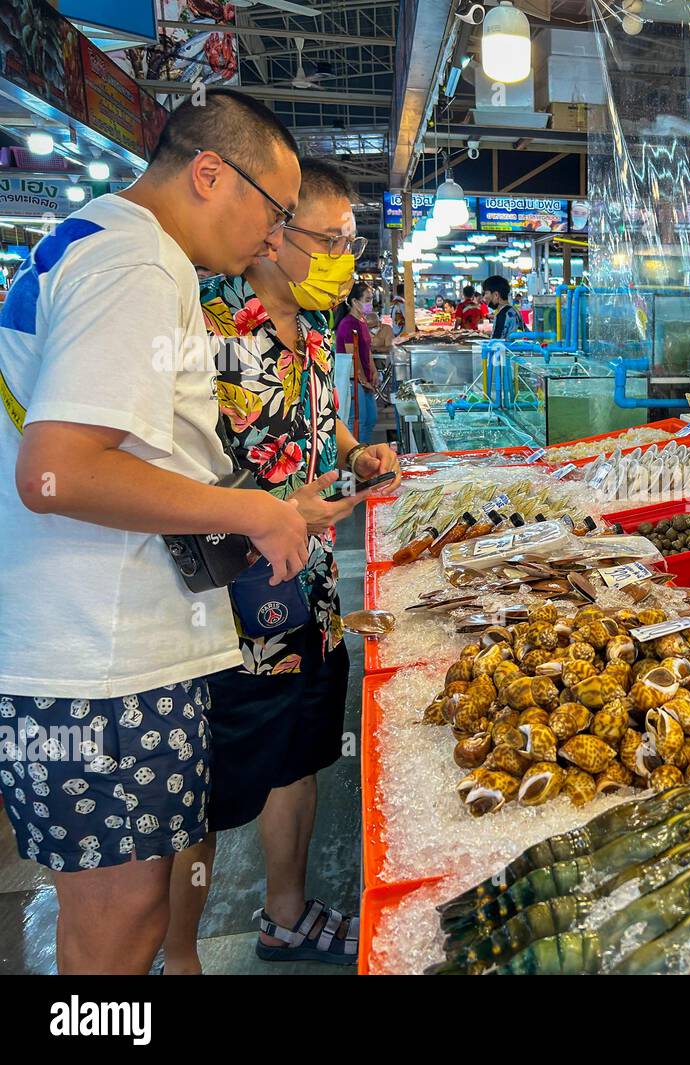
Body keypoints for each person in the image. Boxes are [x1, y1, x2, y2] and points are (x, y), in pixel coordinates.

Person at [0, 88, 310, 974]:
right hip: (94, 661)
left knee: (118, 909)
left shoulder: (102, 242)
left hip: (85, 651)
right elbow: (56, 469)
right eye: (276, 211)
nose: (275, 239)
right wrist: (249, 508)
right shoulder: (141, 265)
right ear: (210, 173)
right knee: (123, 918)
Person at [160, 159, 401, 972]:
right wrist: (269, 512)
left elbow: (317, 427)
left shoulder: (319, 327)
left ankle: (285, 914)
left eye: (350, 240)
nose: (345, 255)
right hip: (228, 609)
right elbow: (164, 471)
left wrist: (355, 455)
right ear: (273, 232)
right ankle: (177, 951)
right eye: (331, 238)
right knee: (210, 791)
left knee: (304, 753)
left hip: (317, 589)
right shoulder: (208, 323)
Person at [336, 282, 378, 443]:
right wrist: (362, 379)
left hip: (365, 378)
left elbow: (367, 350)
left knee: (371, 419)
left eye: (371, 299)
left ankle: (365, 450)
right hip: (353, 380)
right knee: (358, 422)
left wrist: (373, 371)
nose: (370, 304)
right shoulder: (347, 324)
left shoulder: (362, 321)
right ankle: (355, 459)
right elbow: (352, 356)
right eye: (367, 299)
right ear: (354, 302)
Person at [483, 274, 524, 340]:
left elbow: (495, 344)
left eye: (486, 293)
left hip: (507, 350)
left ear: (496, 295)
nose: (484, 297)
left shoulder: (502, 315)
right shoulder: (514, 310)